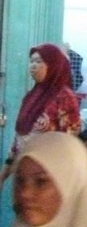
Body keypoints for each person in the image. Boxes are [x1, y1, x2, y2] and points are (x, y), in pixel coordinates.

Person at [2, 43, 81, 178]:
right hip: (26, 171)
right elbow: (20, 137)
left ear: (53, 65)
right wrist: (3, 174)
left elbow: (69, 140)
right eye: (31, 61)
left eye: (39, 61)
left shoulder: (64, 97)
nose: (33, 65)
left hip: (49, 175)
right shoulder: (31, 96)